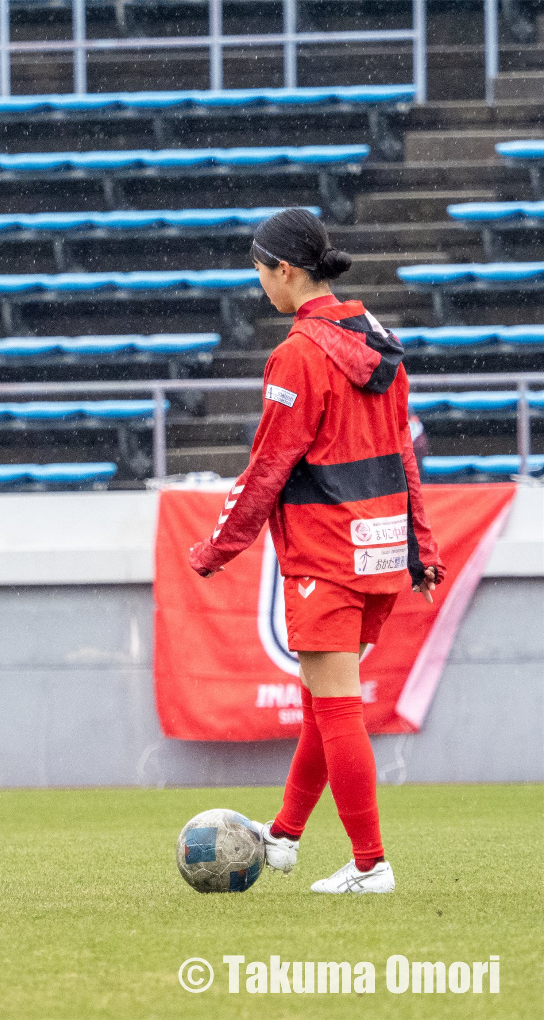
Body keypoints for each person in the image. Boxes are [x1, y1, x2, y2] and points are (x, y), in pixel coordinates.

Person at [189, 208, 445, 895]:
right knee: (322, 706)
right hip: (381, 551)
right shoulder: (380, 337)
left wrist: (217, 547)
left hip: (327, 553)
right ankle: (286, 836)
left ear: (288, 271)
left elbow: (268, 467)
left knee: (336, 710)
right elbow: (405, 452)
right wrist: (421, 546)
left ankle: (370, 865)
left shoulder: (298, 354)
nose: (259, 285)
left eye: (261, 272)